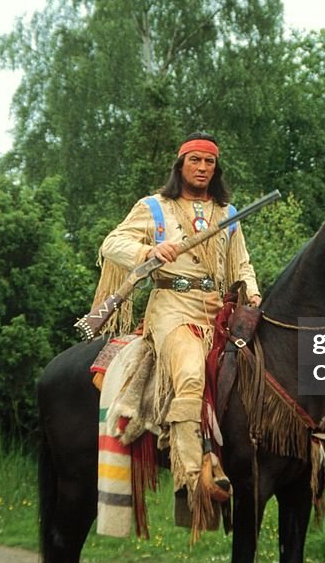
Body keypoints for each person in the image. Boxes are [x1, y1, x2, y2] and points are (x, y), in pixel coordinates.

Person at [94, 131, 261, 514]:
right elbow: (111, 244)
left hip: (218, 308)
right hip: (172, 307)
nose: (202, 168)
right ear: (181, 165)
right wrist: (148, 250)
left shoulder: (227, 213)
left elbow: (242, 263)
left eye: (209, 162)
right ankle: (191, 475)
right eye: (195, 161)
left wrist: (251, 291)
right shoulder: (154, 207)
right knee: (188, 372)